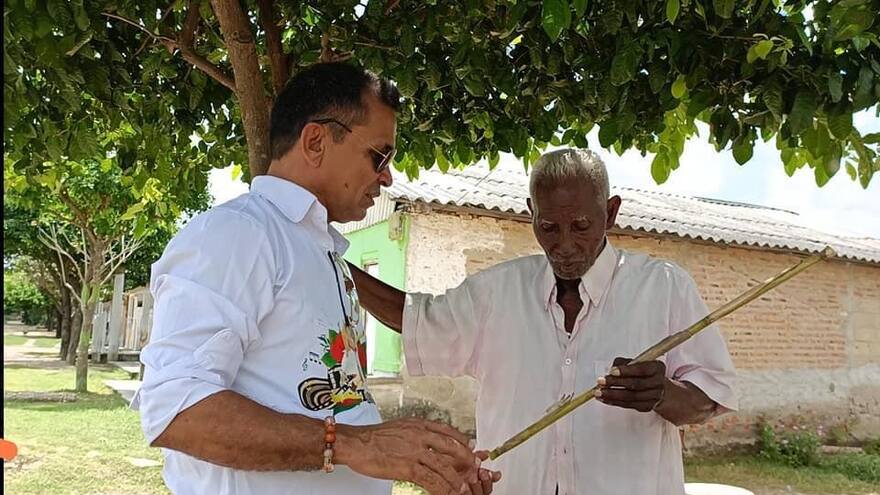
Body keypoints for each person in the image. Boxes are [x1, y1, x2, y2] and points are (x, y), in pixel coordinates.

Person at [133, 62, 500, 495]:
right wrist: (349, 444)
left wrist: (418, 461)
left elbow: (330, 401)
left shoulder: (325, 252)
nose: (387, 177)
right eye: (379, 156)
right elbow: (177, 412)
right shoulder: (240, 235)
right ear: (315, 141)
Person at [351, 148, 738, 495]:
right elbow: (415, 318)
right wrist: (330, 261)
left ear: (612, 212)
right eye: (549, 227)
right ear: (532, 214)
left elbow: (711, 399)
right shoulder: (496, 293)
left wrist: (663, 394)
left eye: (581, 226)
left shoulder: (664, 288)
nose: (565, 245)